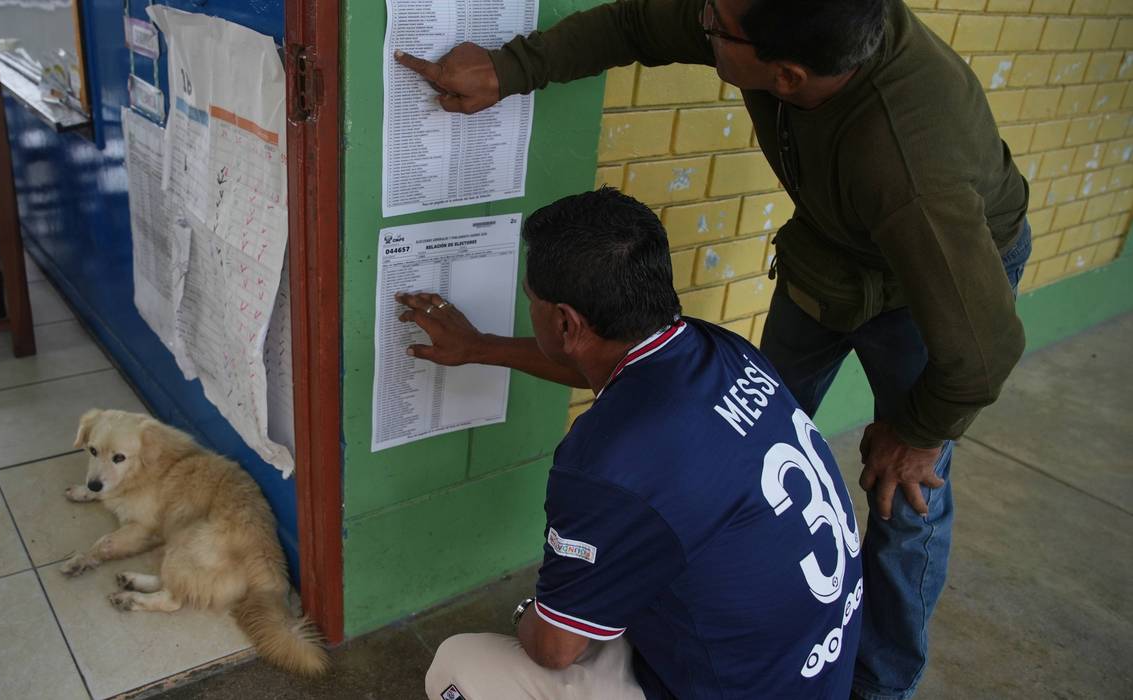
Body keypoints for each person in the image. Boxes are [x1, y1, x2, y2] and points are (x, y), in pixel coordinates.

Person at [394, 1, 1032, 697]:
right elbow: (636, 25)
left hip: (940, 292)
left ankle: (881, 688)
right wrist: (512, 68)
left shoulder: (910, 170)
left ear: (784, 75)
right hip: (830, 255)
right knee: (744, 441)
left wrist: (916, 433)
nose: (699, 17)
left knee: (904, 501)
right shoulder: (719, 352)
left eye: (714, 25)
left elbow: (983, 350)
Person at [402, 187, 864, 699]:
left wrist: (531, 612)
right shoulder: (717, 348)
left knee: (458, 667)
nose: (528, 307)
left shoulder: (608, 465)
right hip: (811, 669)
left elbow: (553, 648)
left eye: (531, 299)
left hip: (730, 686)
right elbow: (600, 370)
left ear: (564, 322)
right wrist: (480, 348)